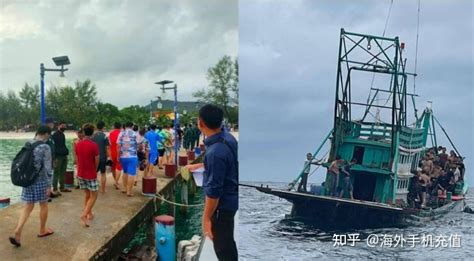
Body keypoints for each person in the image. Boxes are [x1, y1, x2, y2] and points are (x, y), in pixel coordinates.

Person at [184, 104, 238, 260]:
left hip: (222, 207)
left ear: (200, 123)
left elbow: (214, 192)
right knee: (228, 242)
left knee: (223, 248)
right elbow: (228, 164)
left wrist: (206, 218)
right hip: (232, 199)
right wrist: (200, 165)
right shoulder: (229, 139)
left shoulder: (214, 152)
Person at [9, 125, 55, 247]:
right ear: (46, 134)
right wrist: (49, 186)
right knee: (43, 205)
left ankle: (18, 230)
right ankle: (42, 230)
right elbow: (48, 168)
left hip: (28, 180)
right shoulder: (45, 147)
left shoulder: (29, 143)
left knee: (28, 206)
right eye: (48, 135)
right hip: (40, 181)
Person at [75, 124, 99, 227]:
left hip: (81, 173)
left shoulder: (78, 144)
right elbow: (97, 160)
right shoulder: (94, 145)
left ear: (84, 132)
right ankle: (84, 214)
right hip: (90, 173)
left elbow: (77, 158)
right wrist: (95, 170)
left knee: (87, 194)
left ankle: (89, 213)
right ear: (92, 133)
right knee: (94, 195)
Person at [117, 122, 138, 196]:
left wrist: (118, 156)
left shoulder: (121, 133)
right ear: (132, 126)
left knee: (125, 172)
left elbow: (118, 146)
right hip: (132, 156)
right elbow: (139, 144)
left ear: (125, 126)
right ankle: (129, 191)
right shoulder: (135, 134)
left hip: (123, 156)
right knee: (131, 174)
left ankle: (125, 188)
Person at [51, 121, 71, 195]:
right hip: (57, 156)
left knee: (63, 171)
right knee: (56, 172)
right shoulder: (54, 135)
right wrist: (54, 157)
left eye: (65, 126)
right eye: (62, 126)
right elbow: (53, 146)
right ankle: (55, 188)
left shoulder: (62, 134)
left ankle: (62, 187)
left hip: (64, 155)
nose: (64, 127)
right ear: (58, 126)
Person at [92, 121, 110, 194]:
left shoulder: (93, 136)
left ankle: (94, 188)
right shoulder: (105, 136)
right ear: (103, 127)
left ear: (96, 127)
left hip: (94, 157)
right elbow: (107, 148)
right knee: (103, 173)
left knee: (94, 173)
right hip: (102, 157)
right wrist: (109, 157)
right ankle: (103, 190)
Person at [108, 122, 123, 190]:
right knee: (119, 168)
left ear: (114, 126)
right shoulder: (122, 133)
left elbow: (109, 144)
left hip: (112, 152)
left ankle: (115, 181)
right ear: (120, 127)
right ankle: (116, 182)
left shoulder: (111, 133)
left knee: (113, 168)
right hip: (119, 152)